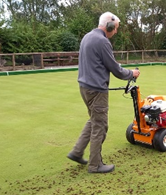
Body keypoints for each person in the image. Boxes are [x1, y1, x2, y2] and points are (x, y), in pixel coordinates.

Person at [67, 11, 140, 173]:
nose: (115, 32)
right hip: (97, 90)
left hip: (84, 87)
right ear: (109, 25)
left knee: (93, 120)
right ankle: (95, 165)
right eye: (115, 28)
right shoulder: (102, 41)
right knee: (100, 125)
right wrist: (131, 74)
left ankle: (77, 151)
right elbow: (116, 69)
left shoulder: (87, 37)